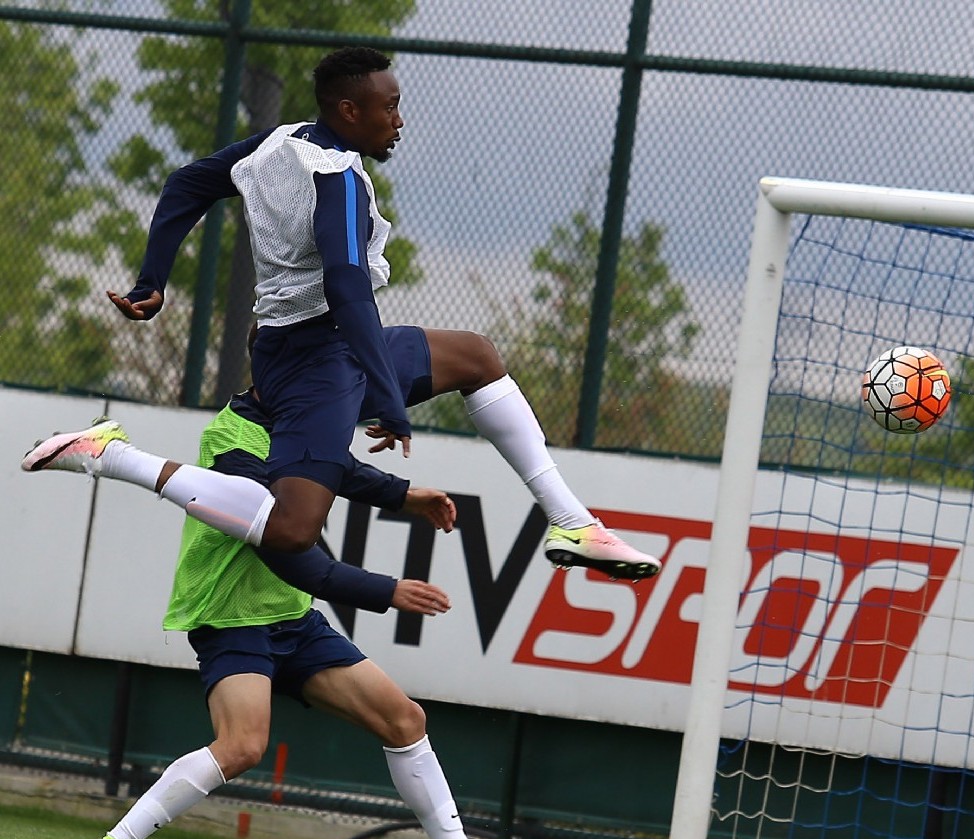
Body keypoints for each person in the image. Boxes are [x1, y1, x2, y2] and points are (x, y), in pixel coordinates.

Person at [23, 45, 657, 581]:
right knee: (294, 530)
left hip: (320, 344)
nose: (399, 121)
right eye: (389, 108)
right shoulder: (340, 180)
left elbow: (185, 183)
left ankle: (573, 522)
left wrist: (151, 280)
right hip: (317, 363)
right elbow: (348, 289)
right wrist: (388, 398)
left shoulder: (280, 143)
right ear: (349, 111)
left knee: (476, 356)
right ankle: (110, 455)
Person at [66, 390, 557, 839]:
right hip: (231, 615)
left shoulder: (299, 414)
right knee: (242, 746)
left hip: (292, 618)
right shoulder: (231, 438)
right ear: (280, 368)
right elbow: (275, 536)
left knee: (404, 720)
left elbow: (333, 465)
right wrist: (383, 590)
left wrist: (402, 494)